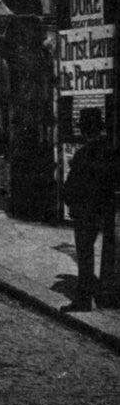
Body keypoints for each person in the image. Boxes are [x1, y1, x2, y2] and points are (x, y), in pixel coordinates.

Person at [61, 107, 120, 311]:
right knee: (107, 253)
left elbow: (74, 184)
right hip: (105, 210)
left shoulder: (84, 154)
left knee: (85, 256)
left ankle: (83, 300)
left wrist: (70, 201)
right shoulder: (110, 151)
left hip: (85, 211)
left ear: (86, 130)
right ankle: (105, 295)